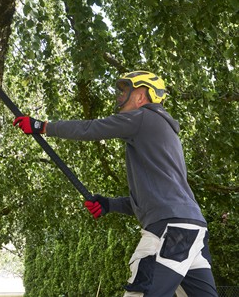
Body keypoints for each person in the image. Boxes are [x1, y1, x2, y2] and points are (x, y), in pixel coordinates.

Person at [13, 70, 218, 297]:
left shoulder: (143, 116)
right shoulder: (162, 133)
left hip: (171, 231)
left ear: (141, 96)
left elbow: (91, 128)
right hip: (192, 229)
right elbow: (153, 199)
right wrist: (110, 204)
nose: (120, 96)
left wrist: (42, 126)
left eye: (125, 90)